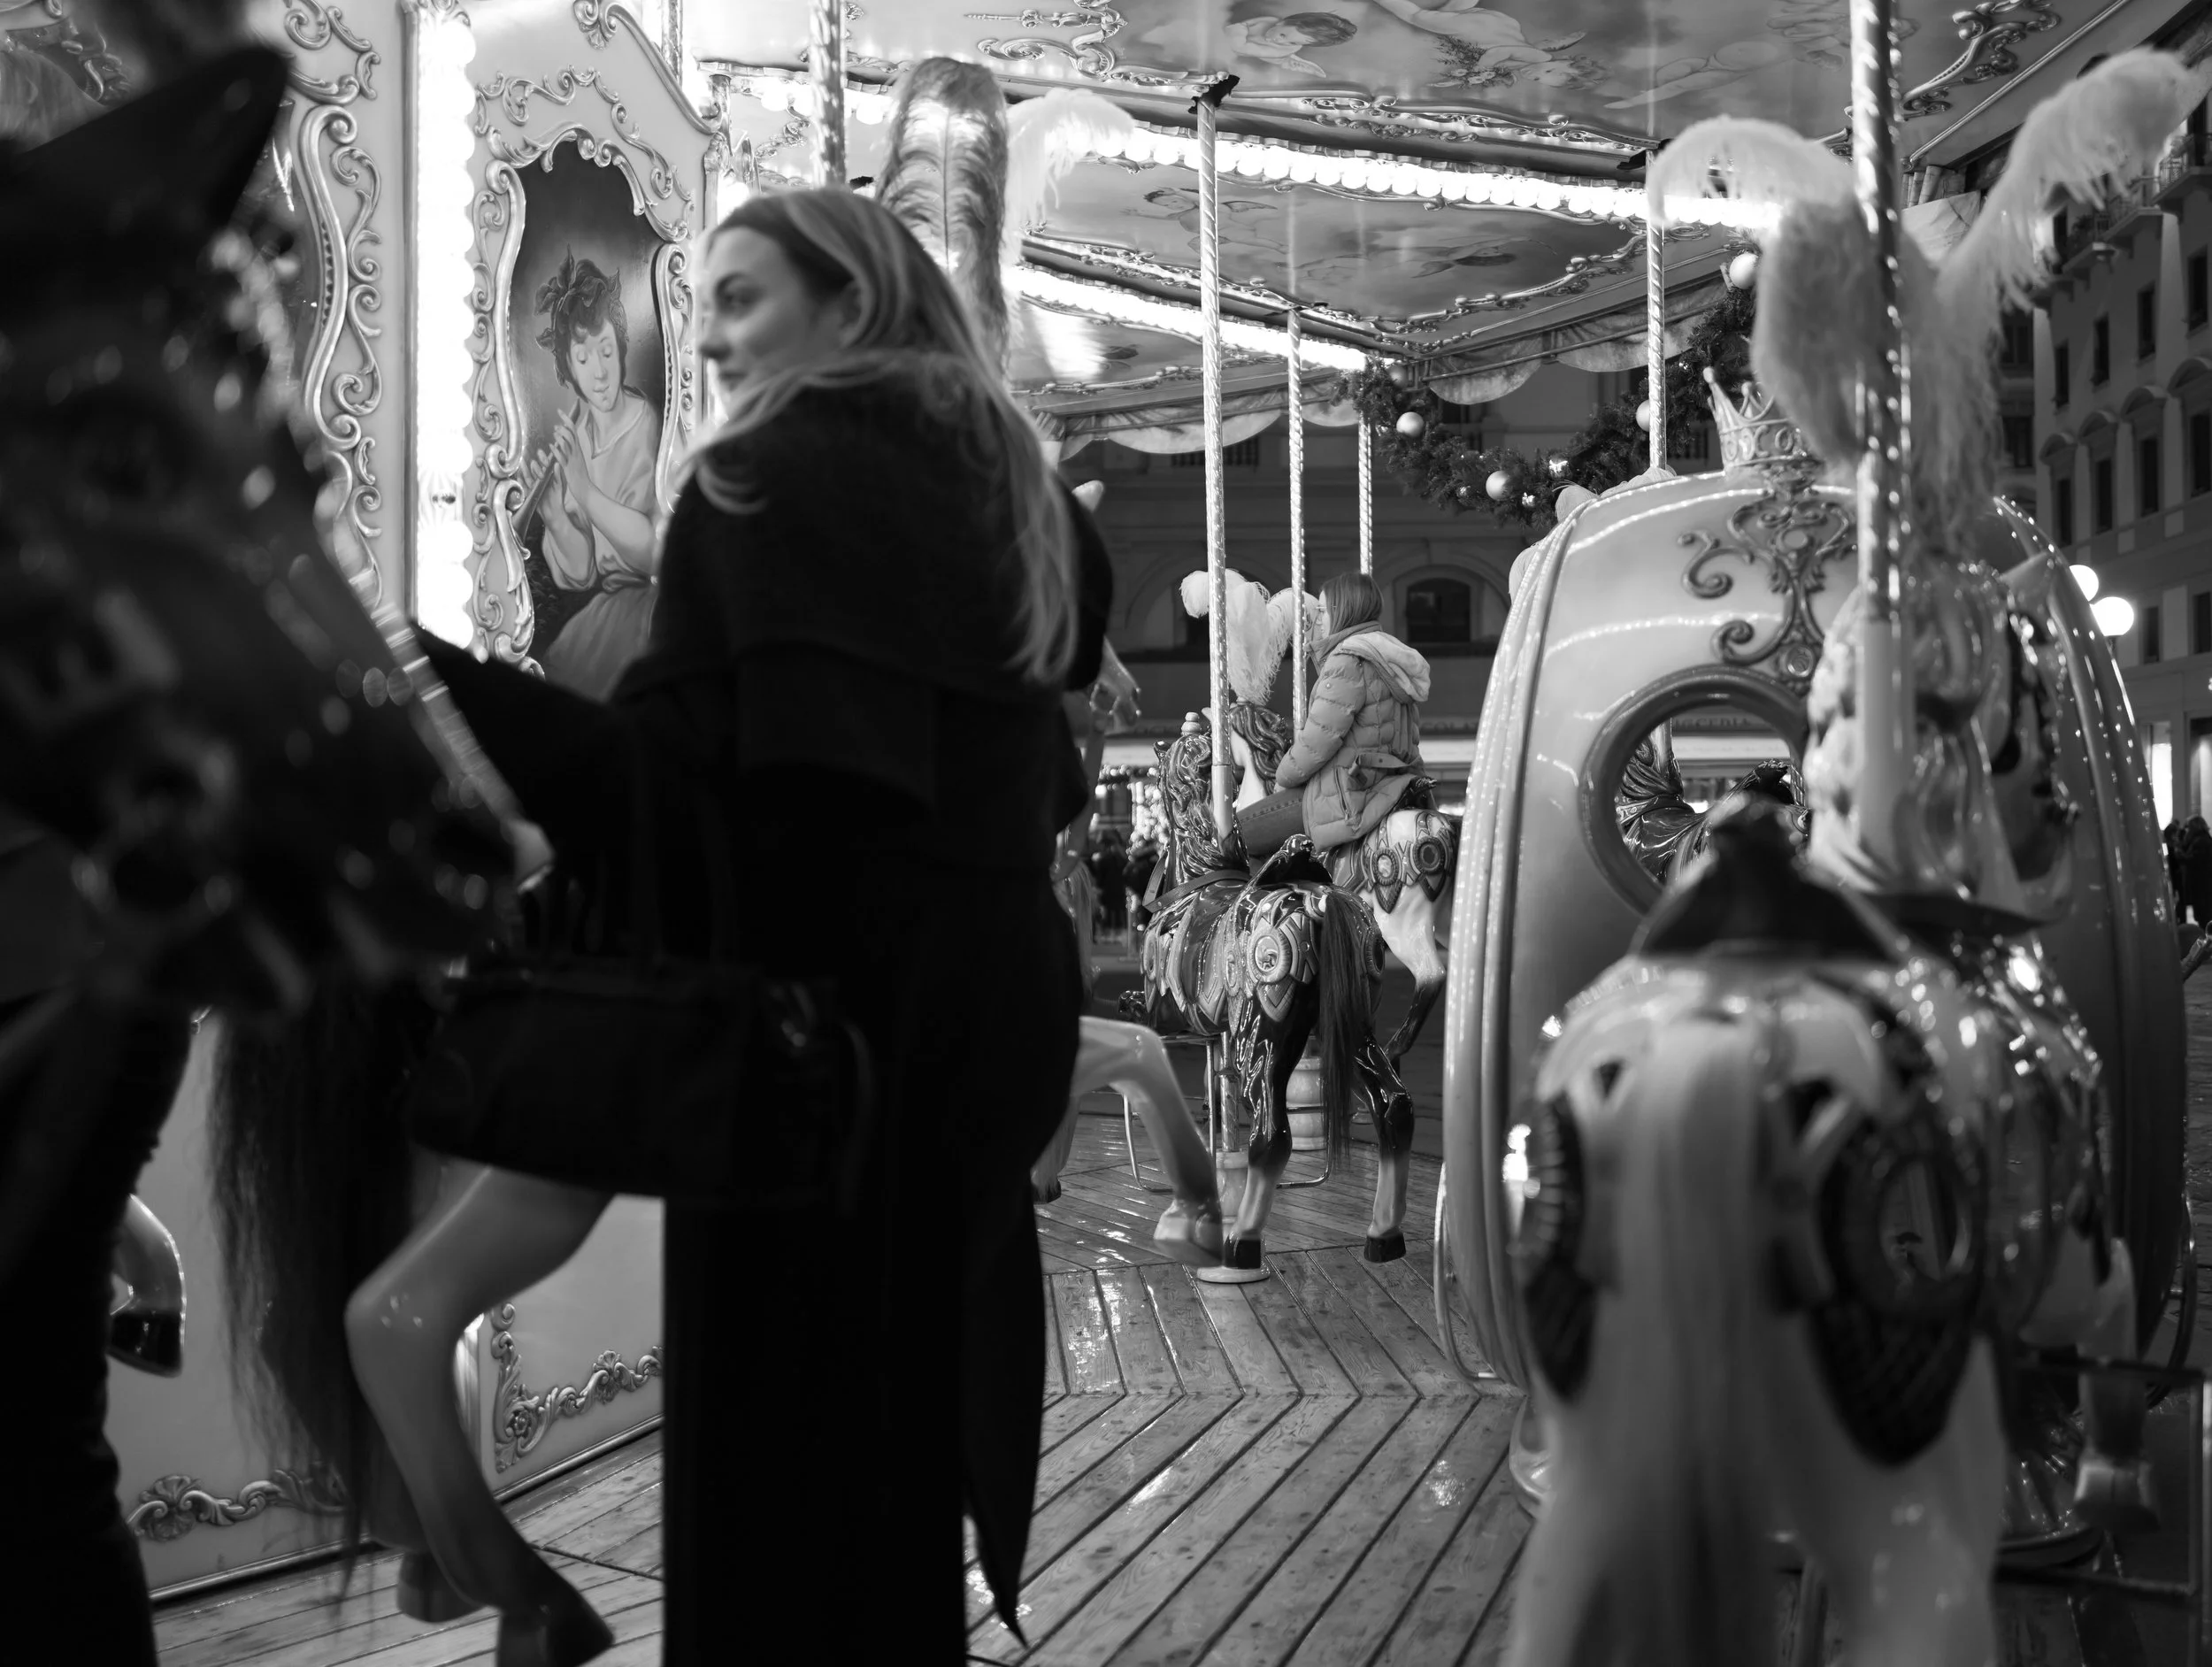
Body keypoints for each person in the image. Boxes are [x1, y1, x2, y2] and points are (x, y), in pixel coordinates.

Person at [411, 186, 1110, 1660]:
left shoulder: (772, 478)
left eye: (742, 297)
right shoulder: (1016, 490)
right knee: (895, 1435)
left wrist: (441, 690)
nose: (711, 334)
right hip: (988, 1014)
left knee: (781, 1460)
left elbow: (706, 810)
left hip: (824, 1028)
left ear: (847, 308)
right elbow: (1019, 775)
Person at [529, 253, 663, 699]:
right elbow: (582, 572)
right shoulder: (576, 435)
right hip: (603, 615)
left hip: (645, 613)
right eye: (583, 359)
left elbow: (649, 552)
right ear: (567, 367)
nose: (600, 373)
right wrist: (554, 516)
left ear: (622, 346)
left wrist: (583, 490)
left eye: (606, 351)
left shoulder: (646, 424)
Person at [1235, 571, 1430, 877]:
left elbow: (1319, 741)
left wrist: (1282, 777)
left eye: (1324, 611)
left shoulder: (1348, 661)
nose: (1321, 619)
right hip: (1389, 784)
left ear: (1343, 611)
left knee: (1238, 835)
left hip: (1348, 794)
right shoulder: (1389, 657)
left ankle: (1276, 918)